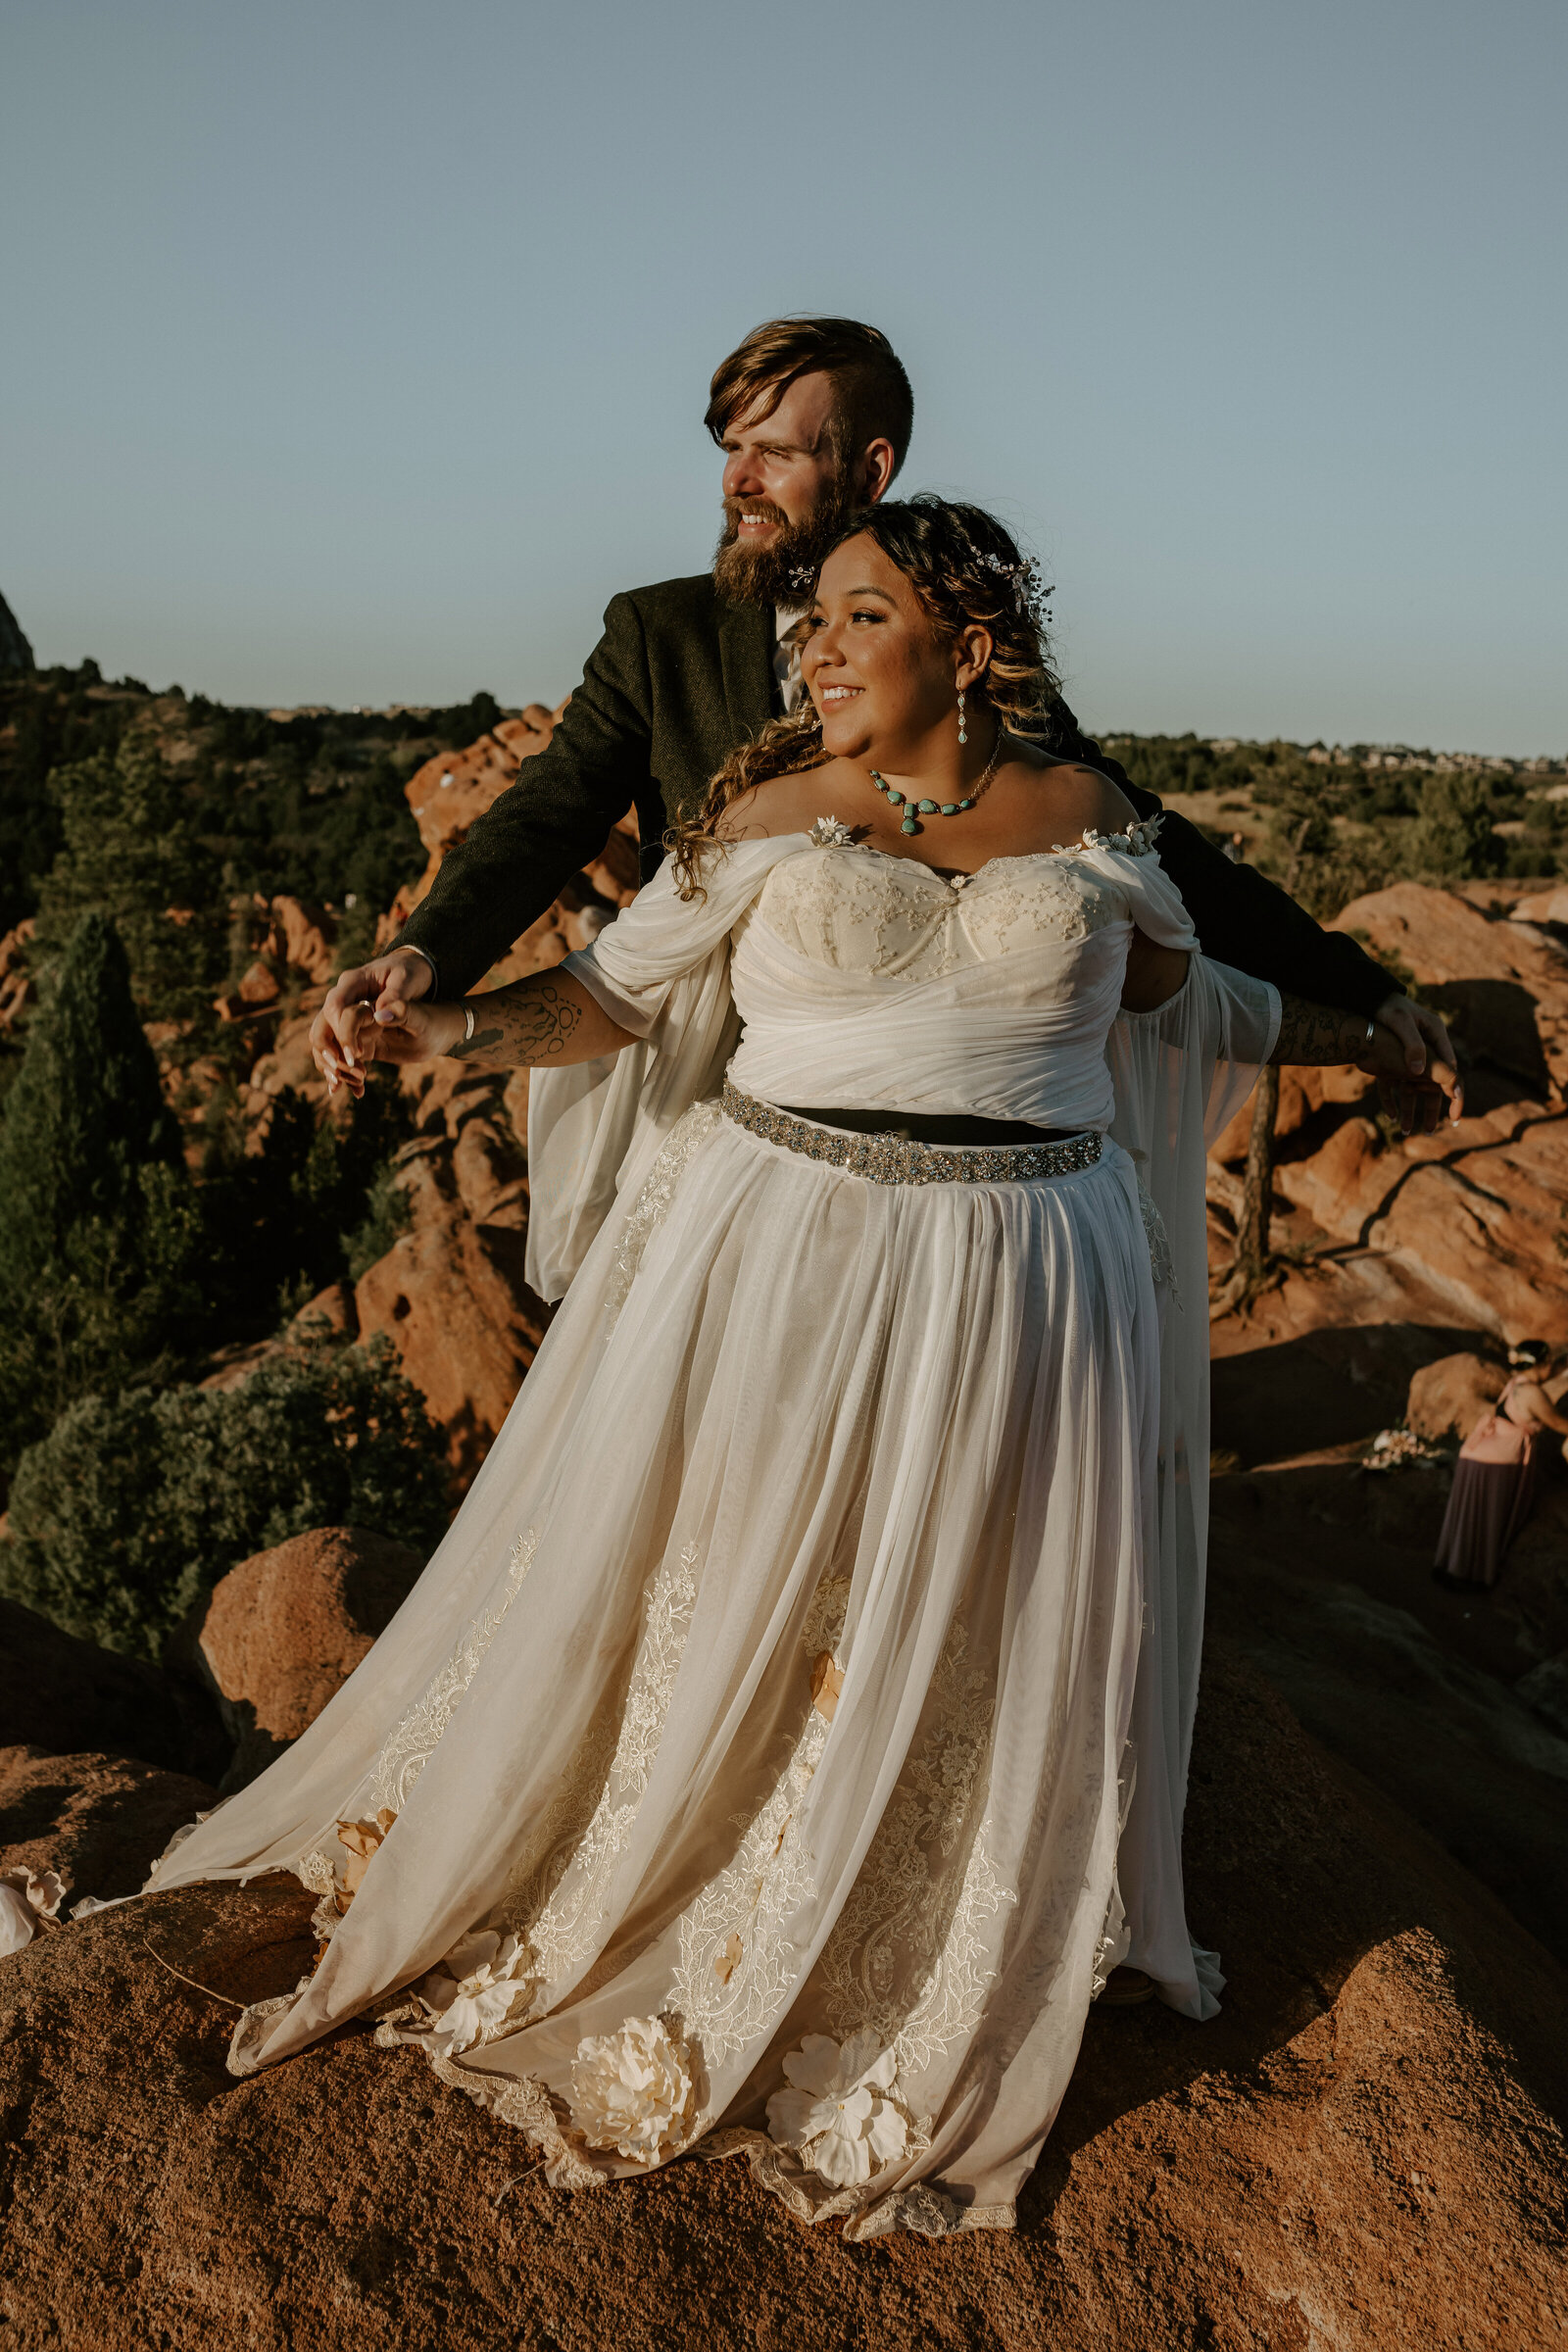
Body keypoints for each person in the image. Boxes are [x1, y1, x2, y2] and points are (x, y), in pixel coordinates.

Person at [150, 499, 1438, 2239]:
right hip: (784, 1263)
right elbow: (606, 1003)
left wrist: (1385, 1027)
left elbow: (1191, 1004)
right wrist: (443, 1022)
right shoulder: (769, 818)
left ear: (964, 643)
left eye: (851, 616)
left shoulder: (1095, 820)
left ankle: (926, 1900)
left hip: (1026, 1286)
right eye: (806, 628)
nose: (809, 651)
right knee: (738, 1580)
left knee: (968, 1609)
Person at [309, 316, 1459, 1136]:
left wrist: (1359, 991)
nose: (736, 481)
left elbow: (1150, 858)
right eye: (726, 450)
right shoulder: (657, 634)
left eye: (773, 450)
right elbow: (547, 814)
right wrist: (425, 955)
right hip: (698, 1121)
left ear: (869, 466)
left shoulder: (965, 668)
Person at [1434, 1344, 1568, 1590]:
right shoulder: (1531, 1394)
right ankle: (1474, 1578)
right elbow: (1559, 1424)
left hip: (1480, 1454)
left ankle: (1455, 1568)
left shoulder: (1516, 1382)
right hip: (1497, 1462)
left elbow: (1557, 1368)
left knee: (1471, 1517)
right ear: (1543, 1364)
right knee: (1488, 1520)